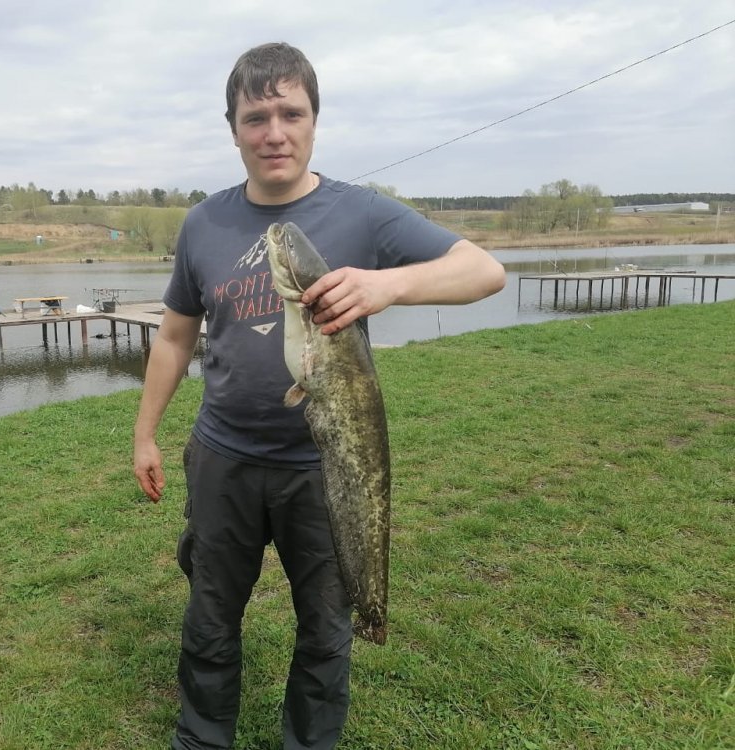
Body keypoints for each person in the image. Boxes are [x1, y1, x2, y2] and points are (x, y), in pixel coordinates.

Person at [133, 42, 506, 749]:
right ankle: (201, 738)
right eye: (255, 118)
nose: (274, 133)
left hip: (326, 469)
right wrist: (145, 434)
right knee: (210, 615)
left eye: (290, 114)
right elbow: (176, 337)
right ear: (233, 129)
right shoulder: (203, 223)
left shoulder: (363, 214)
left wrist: (388, 284)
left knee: (327, 628)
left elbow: (484, 272)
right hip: (223, 459)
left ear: (314, 120)